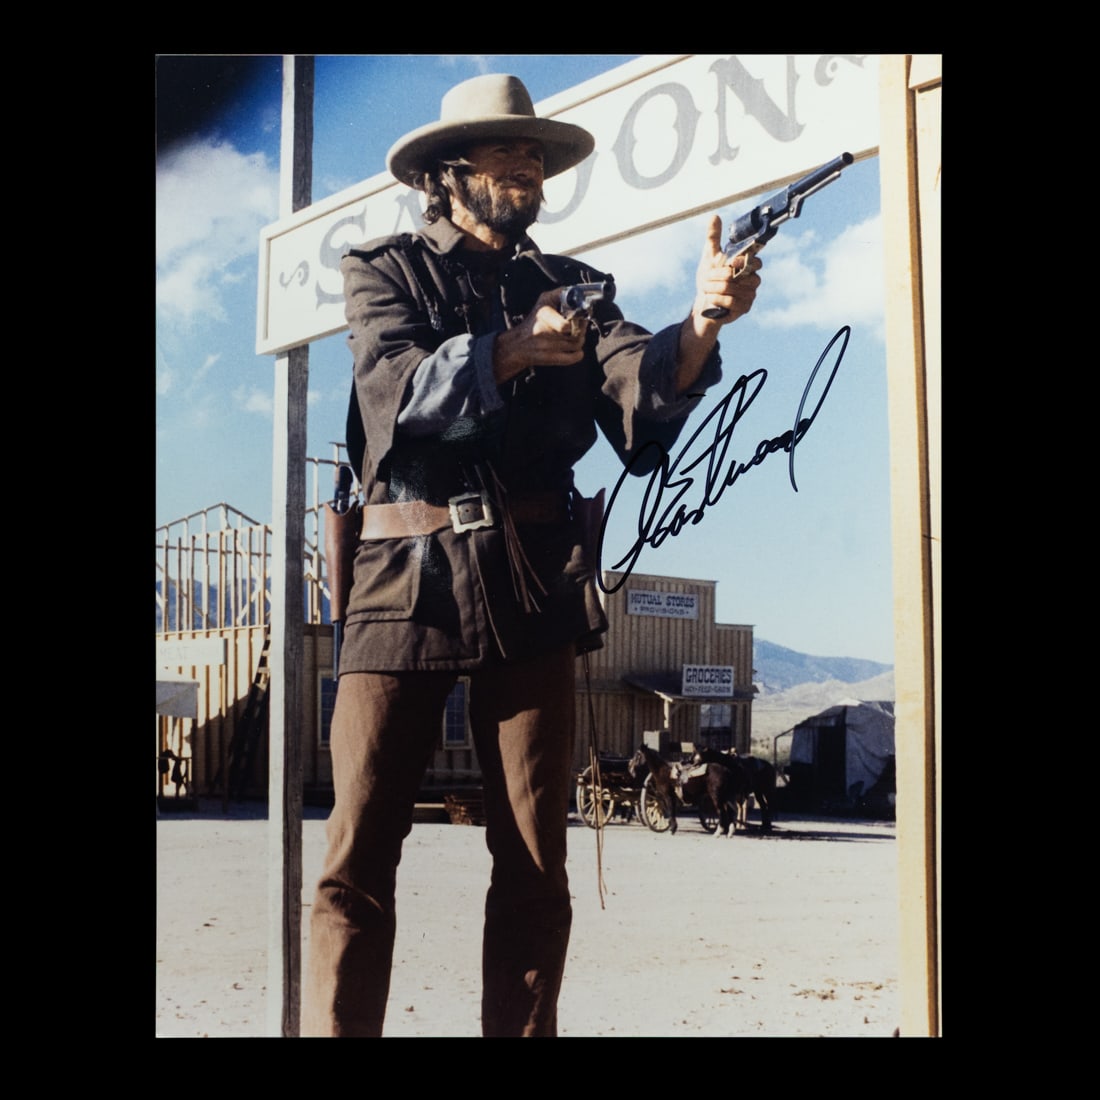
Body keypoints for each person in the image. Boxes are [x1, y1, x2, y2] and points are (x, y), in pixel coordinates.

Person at [303, 73, 762, 1038]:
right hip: (404, 582)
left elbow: (638, 377)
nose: (529, 168)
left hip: (532, 586)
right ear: (447, 173)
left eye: (536, 157)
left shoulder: (576, 291)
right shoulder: (382, 269)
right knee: (356, 859)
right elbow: (397, 391)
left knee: (534, 861)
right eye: (507, 153)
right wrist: (508, 350)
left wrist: (704, 324)